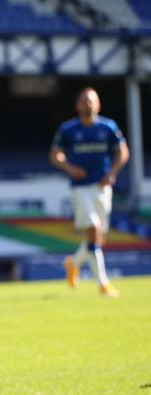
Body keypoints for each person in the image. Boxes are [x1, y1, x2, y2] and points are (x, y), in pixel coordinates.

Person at [50, 87, 129, 297]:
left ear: (99, 104)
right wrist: (70, 168)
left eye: (92, 100)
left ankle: (73, 263)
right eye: (84, 100)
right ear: (77, 105)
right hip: (81, 188)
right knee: (94, 231)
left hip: (102, 187)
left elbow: (123, 151)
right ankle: (103, 285)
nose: (88, 104)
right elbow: (55, 155)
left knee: (97, 238)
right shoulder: (68, 129)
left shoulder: (108, 127)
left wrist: (112, 172)